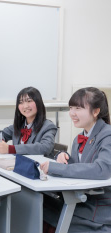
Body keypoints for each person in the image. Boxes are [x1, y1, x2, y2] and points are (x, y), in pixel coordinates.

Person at [41, 87, 111, 233]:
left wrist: (55, 167)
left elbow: (102, 169)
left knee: (43, 211)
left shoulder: (107, 135)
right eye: (71, 108)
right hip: (82, 199)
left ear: (96, 111)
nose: (72, 113)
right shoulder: (79, 138)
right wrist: (61, 156)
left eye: (78, 108)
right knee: (39, 204)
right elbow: (80, 167)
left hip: (98, 208)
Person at [0, 87, 57, 158]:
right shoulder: (20, 125)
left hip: (39, 166)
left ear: (38, 103)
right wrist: (0, 142)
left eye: (29, 101)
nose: (25, 106)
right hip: (18, 164)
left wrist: (11, 149)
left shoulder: (48, 126)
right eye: (21, 102)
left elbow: (44, 148)